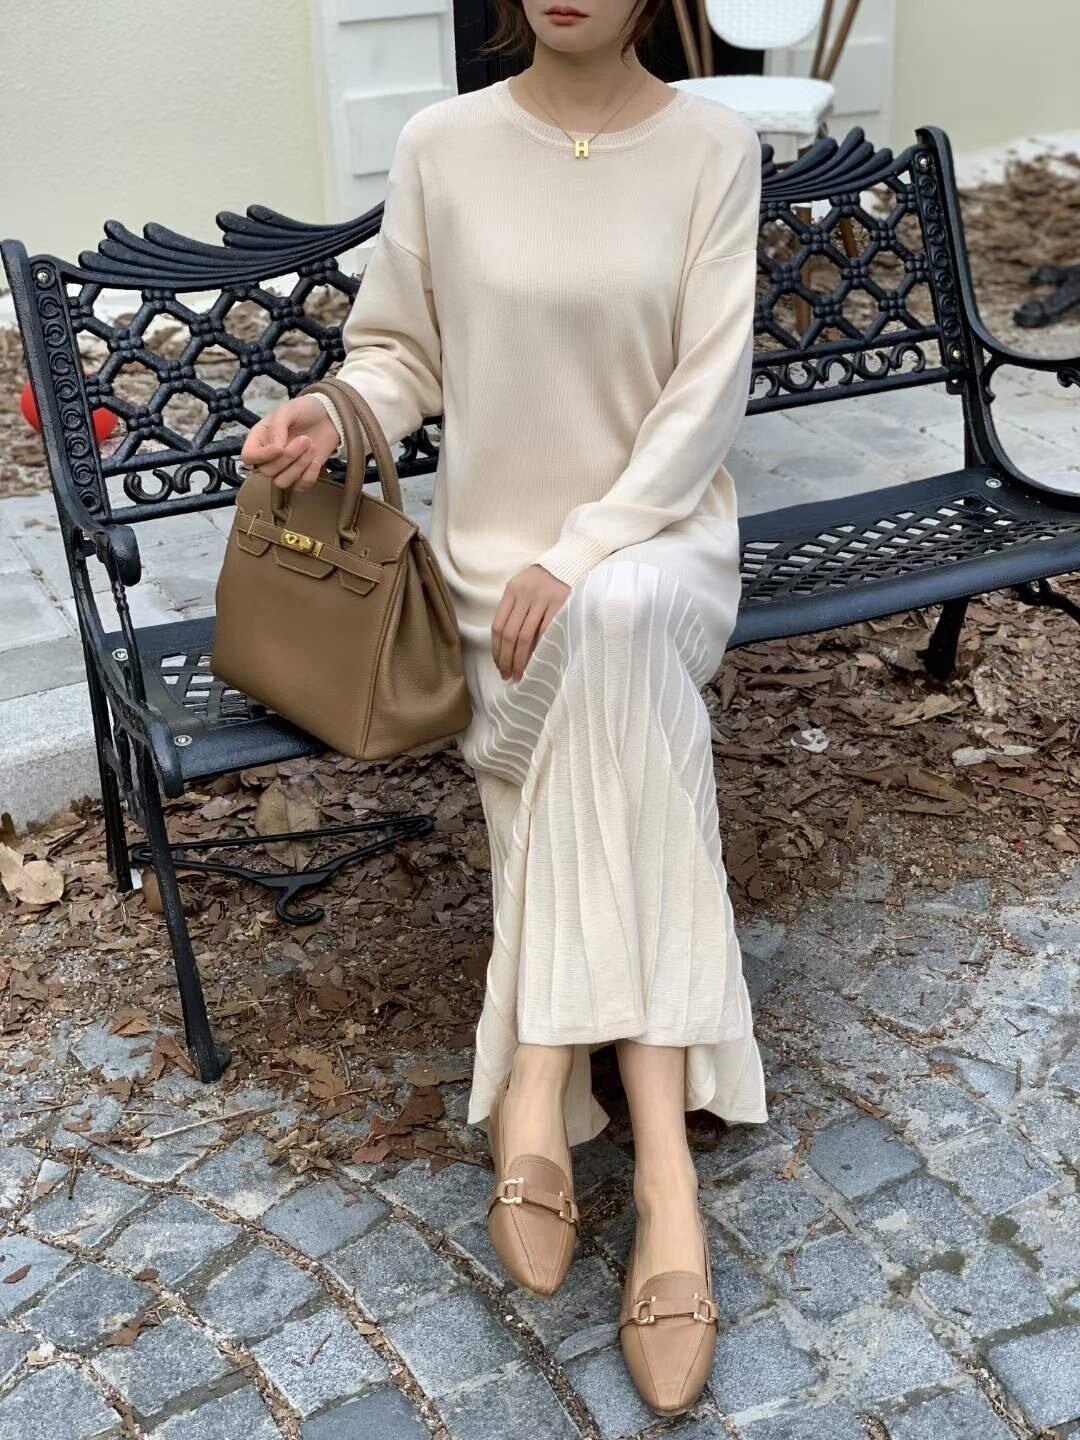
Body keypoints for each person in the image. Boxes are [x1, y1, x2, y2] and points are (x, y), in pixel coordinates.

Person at [240, 0, 768, 1415]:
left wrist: (584, 550)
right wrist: (335, 417)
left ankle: (547, 1079)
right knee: (607, 668)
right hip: (492, 580)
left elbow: (707, 391)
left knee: (615, 617)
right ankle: (667, 1183)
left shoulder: (715, 148)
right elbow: (404, 355)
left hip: (655, 544)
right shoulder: (444, 143)